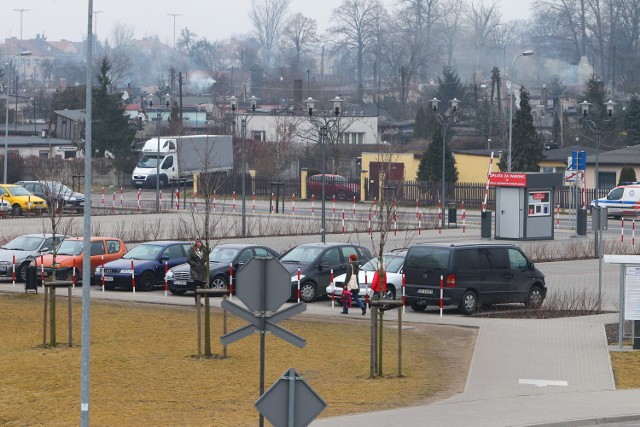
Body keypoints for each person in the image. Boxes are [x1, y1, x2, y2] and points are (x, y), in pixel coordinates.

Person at [188, 237, 206, 305]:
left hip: (201, 270)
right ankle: (197, 301)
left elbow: (206, 258)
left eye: (200, 242)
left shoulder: (203, 250)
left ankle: (199, 300)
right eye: (197, 242)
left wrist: (205, 262)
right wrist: (195, 265)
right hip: (194, 270)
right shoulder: (192, 250)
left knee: (201, 285)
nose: (199, 244)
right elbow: (188, 260)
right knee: (197, 284)